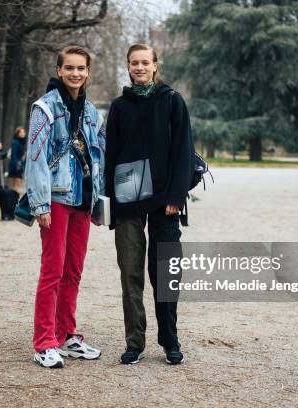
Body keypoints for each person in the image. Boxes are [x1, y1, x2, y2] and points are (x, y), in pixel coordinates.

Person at [105, 44, 195, 365]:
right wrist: (110, 203)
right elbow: (110, 157)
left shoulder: (172, 101)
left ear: (156, 66)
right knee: (130, 272)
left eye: (145, 62)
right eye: (134, 63)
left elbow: (183, 151)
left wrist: (175, 196)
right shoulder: (118, 107)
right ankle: (135, 341)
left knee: (166, 272)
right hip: (127, 201)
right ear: (128, 67)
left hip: (165, 202)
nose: (140, 67)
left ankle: (170, 339)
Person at [25, 45, 106, 368]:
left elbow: (100, 154)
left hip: (83, 202)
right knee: (52, 271)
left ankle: (66, 333)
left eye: (81, 68)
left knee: (73, 271)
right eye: (69, 68)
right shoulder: (44, 109)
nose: (75, 73)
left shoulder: (91, 112)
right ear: (59, 70)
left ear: (88, 72)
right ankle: (44, 341)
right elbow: (36, 159)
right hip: (56, 200)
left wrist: (99, 202)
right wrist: (40, 204)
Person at [8, 127, 26, 191]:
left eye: (23, 132)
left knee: (18, 182)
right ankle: (14, 199)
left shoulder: (21, 142)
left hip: (20, 164)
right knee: (16, 183)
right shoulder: (15, 142)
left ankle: (15, 198)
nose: (23, 133)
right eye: (21, 132)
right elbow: (14, 154)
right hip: (16, 165)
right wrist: (16, 165)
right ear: (17, 133)